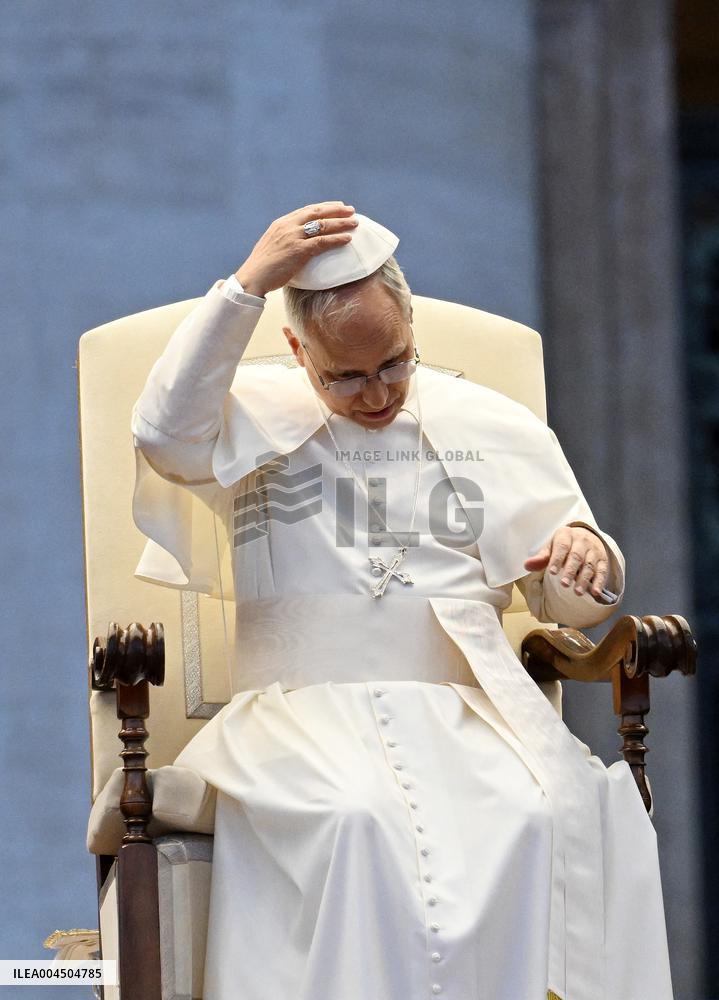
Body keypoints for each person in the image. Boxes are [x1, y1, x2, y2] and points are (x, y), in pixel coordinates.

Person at [130, 202, 673, 1000]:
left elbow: (567, 602)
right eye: (344, 376)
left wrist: (583, 556)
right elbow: (160, 433)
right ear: (297, 351)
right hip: (297, 718)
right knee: (352, 818)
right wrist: (247, 285)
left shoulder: (485, 422)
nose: (376, 394)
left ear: (412, 328)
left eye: (392, 363)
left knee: (535, 814)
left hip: (464, 714)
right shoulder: (245, 416)